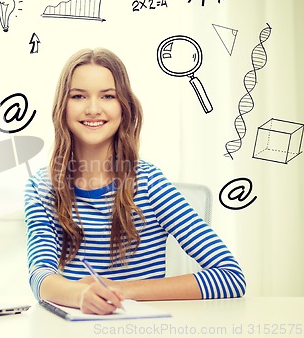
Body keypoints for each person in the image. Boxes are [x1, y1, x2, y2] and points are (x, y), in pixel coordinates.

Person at [24, 48, 245, 315]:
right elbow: (40, 277)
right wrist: (80, 293)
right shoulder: (42, 188)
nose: (93, 109)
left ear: (124, 107)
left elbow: (231, 277)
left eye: (108, 96)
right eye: (79, 96)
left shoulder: (149, 183)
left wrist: (120, 290)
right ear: (63, 106)